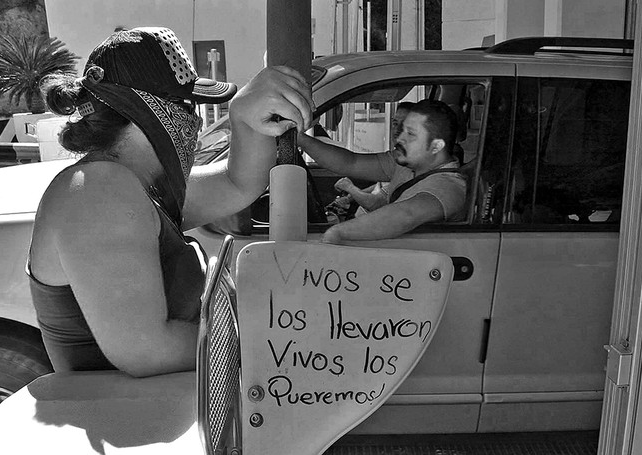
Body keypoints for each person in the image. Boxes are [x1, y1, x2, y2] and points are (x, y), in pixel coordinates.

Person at [27, 27, 312, 377]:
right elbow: (147, 351)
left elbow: (237, 184)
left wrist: (244, 117)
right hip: (131, 419)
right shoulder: (99, 191)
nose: (193, 120)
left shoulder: (129, 186)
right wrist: (275, 334)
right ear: (139, 108)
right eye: (184, 105)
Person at [298, 99, 466, 244]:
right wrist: (299, 139)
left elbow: (406, 214)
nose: (399, 138)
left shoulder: (449, 186)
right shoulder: (406, 163)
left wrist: (336, 233)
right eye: (401, 129)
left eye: (411, 134)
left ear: (436, 146)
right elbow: (350, 162)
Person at [326, 102, 414, 218]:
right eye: (395, 123)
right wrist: (349, 198)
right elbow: (381, 186)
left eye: (405, 125)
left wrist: (349, 187)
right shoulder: (398, 160)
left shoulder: (411, 167)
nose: (397, 130)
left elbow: (375, 203)